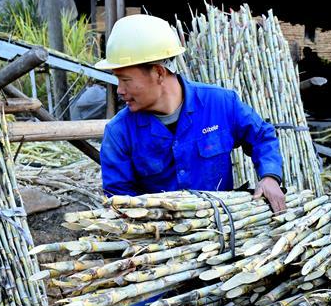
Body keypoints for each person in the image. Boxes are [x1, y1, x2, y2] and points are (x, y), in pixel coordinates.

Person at [96, 14, 286, 213]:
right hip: (159, 229)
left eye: (126, 80)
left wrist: (270, 176)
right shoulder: (119, 132)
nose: (119, 90)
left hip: (222, 224)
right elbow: (120, 199)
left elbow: (262, 136)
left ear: (159, 72)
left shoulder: (220, 103)